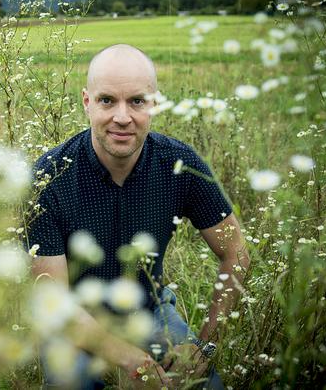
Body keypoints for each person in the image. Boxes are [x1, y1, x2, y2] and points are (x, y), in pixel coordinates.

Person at [26, 44, 250, 388]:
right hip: (75, 323)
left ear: (154, 103)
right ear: (86, 102)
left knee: (205, 386)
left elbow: (236, 252)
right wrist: (131, 361)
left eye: (136, 101)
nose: (122, 117)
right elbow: (54, 303)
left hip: (148, 310)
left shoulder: (179, 164)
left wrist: (204, 346)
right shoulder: (49, 178)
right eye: (106, 101)